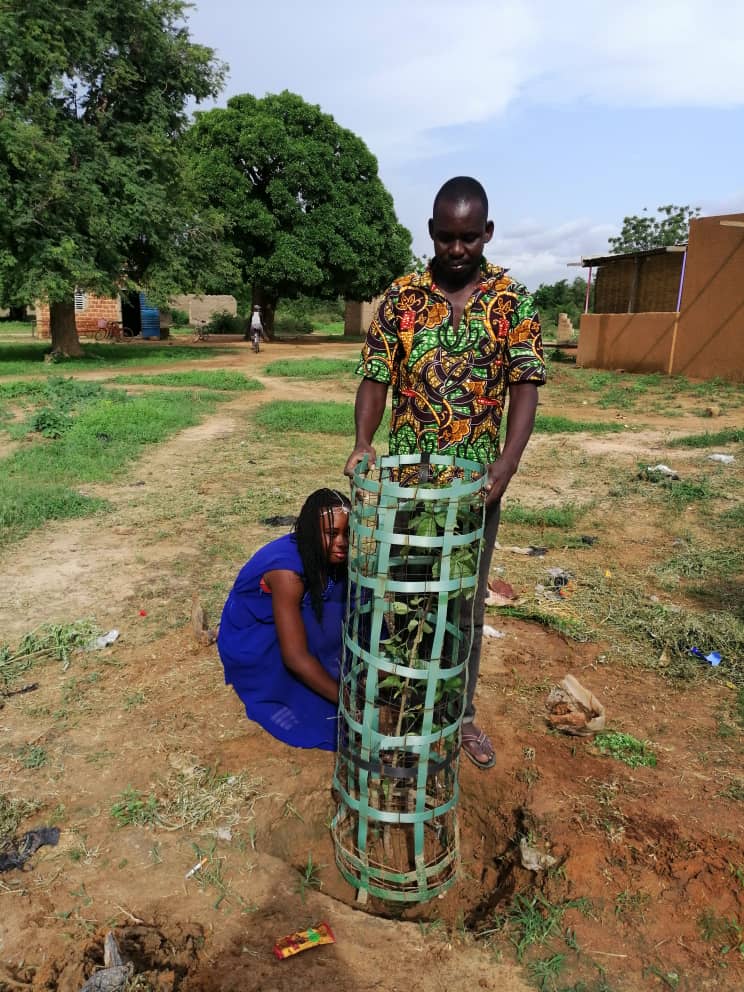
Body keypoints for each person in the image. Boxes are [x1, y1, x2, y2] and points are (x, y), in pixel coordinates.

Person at [343, 176, 546, 770]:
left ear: (486, 233)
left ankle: (461, 716)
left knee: (464, 605)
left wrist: (506, 465)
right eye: (446, 238)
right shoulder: (403, 298)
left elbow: (525, 386)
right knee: (402, 597)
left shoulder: (512, 301)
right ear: (431, 233)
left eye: (468, 238)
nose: (457, 250)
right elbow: (376, 375)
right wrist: (362, 442)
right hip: (409, 489)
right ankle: (401, 709)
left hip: (475, 491)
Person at [217, 489, 350, 750]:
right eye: (332, 534)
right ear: (312, 532)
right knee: (315, 711)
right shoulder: (287, 572)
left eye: (348, 533)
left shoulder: (325, 557)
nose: (342, 542)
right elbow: (295, 657)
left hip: (290, 621)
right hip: (255, 638)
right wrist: (347, 701)